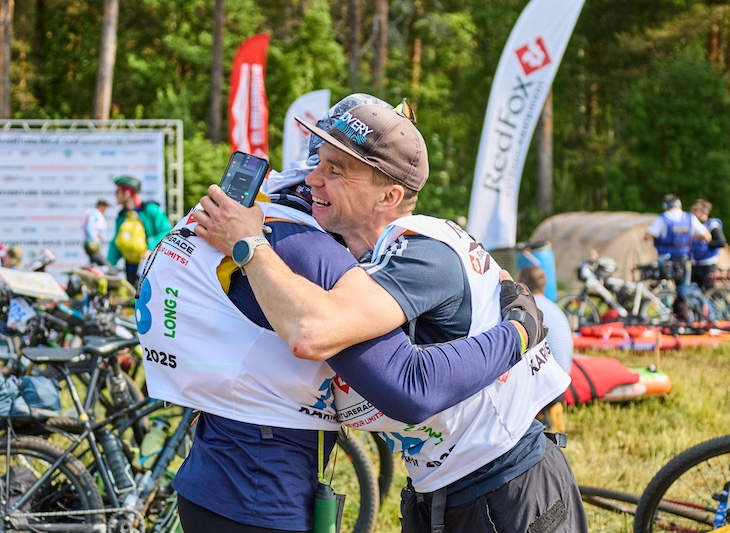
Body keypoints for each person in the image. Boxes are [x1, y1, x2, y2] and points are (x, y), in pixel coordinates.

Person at [137, 97, 544, 532]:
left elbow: (406, 383)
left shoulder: (297, 232)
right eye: (318, 160)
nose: (314, 177)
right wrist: (520, 330)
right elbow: (397, 379)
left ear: (390, 195)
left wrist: (520, 330)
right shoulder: (300, 243)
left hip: (499, 484)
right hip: (260, 494)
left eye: (335, 169)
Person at [517, 265, 573, 433]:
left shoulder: (526, 306)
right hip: (562, 382)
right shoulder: (555, 308)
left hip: (544, 387)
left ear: (521, 284)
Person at [645, 194, 711, 320]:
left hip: (666, 260)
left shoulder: (663, 218)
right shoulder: (689, 218)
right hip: (684, 260)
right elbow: (707, 236)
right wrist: (690, 236)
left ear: (666, 206)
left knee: (664, 289)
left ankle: (667, 315)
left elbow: (648, 235)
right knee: (683, 290)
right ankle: (685, 316)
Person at [107, 176, 172, 287]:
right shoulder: (122, 216)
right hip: (131, 266)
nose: (115, 195)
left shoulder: (151, 210)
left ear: (127, 192)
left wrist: (150, 248)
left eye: (118, 191)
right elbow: (116, 244)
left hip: (151, 265)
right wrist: (108, 266)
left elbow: (166, 231)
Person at [689, 199, 726, 291]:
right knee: (694, 290)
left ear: (704, 212)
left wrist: (705, 243)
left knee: (708, 290)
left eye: (695, 209)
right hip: (695, 263)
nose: (692, 212)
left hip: (708, 264)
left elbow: (721, 242)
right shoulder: (694, 225)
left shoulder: (712, 225)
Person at [82, 199, 110, 266]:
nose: (106, 210)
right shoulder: (94, 213)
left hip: (91, 242)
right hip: (92, 242)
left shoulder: (91, 212)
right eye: (105, 207)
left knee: (94, 262)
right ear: (101, 206)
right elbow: (89, 226)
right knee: (101, 262)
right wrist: (93, 239)